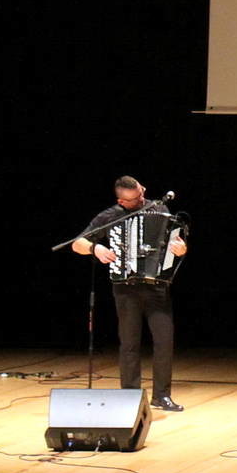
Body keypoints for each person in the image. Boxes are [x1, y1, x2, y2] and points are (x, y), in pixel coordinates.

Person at [71, 176, 188, 411]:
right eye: (135, 199)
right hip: (126, 288)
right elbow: (77, 244)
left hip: (156, 285)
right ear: (122, 201)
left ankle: (161, 396)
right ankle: (130, 397)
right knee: (129, 343)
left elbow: (174, 243)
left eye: (141, 193)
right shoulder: (110, 216)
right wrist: (96, 248)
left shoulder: (160, 209)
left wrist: (181, 249)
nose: (141, 200)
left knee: (164, 341)